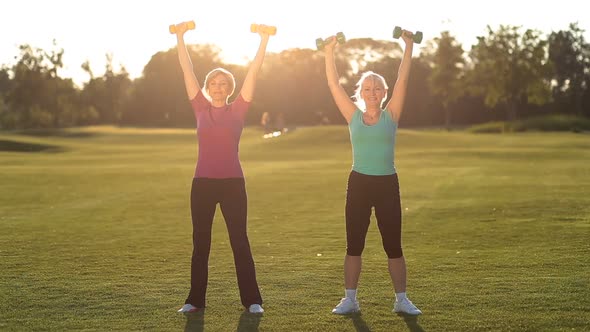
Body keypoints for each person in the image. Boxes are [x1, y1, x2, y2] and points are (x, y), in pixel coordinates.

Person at [172, 21, 271, 314]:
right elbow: (186, 70)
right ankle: (194, 301)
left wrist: (263, 41)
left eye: (223, 83)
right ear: (207, 87)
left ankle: (253, 301)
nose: (218, 87)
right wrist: (180, 37)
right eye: (213, 83)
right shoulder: (199, 107)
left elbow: (254, 70)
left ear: (230, 88)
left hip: (232, 184)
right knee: (200, 243)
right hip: (201, 183)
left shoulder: (239, 108)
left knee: (239, 241)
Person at [322, 30, 422, 315]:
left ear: (385, 93)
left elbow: (403, 78)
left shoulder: (392, 115)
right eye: (367, 88)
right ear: (361, 93)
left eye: (377, 87)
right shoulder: (352, 115)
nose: (373, 91)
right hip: (359, 183)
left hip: (387, 183)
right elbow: (332, 84)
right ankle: (350, 299)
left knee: (393, 244)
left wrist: (408, 46)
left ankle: (401, 299)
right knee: (354, 243)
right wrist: (329, 52)